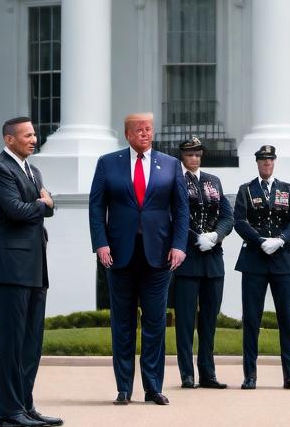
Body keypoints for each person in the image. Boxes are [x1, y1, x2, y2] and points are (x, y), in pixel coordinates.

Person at [89, 112, 189, 405]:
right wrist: (100, 244)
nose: (146, 134)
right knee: (122, 323)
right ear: (128, 134)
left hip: (158, 256)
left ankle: (153, 387)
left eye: (149, 129)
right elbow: (96, 207)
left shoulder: (170, 165)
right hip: (119, 255)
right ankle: (123, 387)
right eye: (140, 130)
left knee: (155, 323)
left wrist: (179, 245)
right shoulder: (108, 163)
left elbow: (181, 210)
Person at [0, 116, 61, 427]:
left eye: (34, 133)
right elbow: (16, 211)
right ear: (9, 140)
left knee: (31, 342)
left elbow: (48, 207)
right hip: (11, 267)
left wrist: (43, 204)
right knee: (11, 343)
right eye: (27, 135)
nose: (33, 139)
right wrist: (43, 203)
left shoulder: (32, 169)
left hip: (34, 265)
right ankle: (8, 411)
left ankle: (25, 406)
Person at [233, 145, 290, 390]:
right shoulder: (246, 190)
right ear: (257, 163)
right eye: (262, 160)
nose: (266, 164)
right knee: (252, 319)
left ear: (274, 162)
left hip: (283, 260)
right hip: (254, 259)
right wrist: (260, 241)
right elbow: (240, 221)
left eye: (270, 160)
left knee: (287, 319)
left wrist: (281, 240)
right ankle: (250, 375)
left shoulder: (288, 189)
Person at [172, 135, 234, 389]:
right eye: (190, 154)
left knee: (209, 321)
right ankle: (187, 374)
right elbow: (173, 216)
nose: (195, 158)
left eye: (198, 154)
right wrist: (197, 237)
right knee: (186, 322)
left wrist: (216, 236)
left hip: (212, 260)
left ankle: (208, 373)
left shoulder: (213, 181)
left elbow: (227, 216)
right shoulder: (174, 180)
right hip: (187, 258)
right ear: (182, 157)